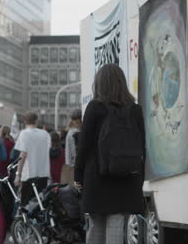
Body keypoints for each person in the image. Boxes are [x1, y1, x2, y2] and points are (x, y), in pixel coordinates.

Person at [74, 64, 145, 244]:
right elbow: (142, 147)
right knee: (117, 224)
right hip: (127, 177)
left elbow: (83, 146)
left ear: (99, 83)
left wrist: (78, 177)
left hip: (97, 177)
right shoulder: (135, 110)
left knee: (96, 225)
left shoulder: (95, 107)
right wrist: (140, 178)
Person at [14, 112, 51, 206]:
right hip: (43, 174)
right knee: (41, 204)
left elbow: (22, 155)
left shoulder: (24, 134)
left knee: (26, 205)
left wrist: (18, 174)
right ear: (36, 121)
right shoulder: (45, 134)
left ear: (25, 121)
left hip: (29, 176)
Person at [61, 109, 82, 184]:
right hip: (76, 165)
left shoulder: (71, 132)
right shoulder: (73, 133)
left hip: (74, 165)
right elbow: (72, 152)